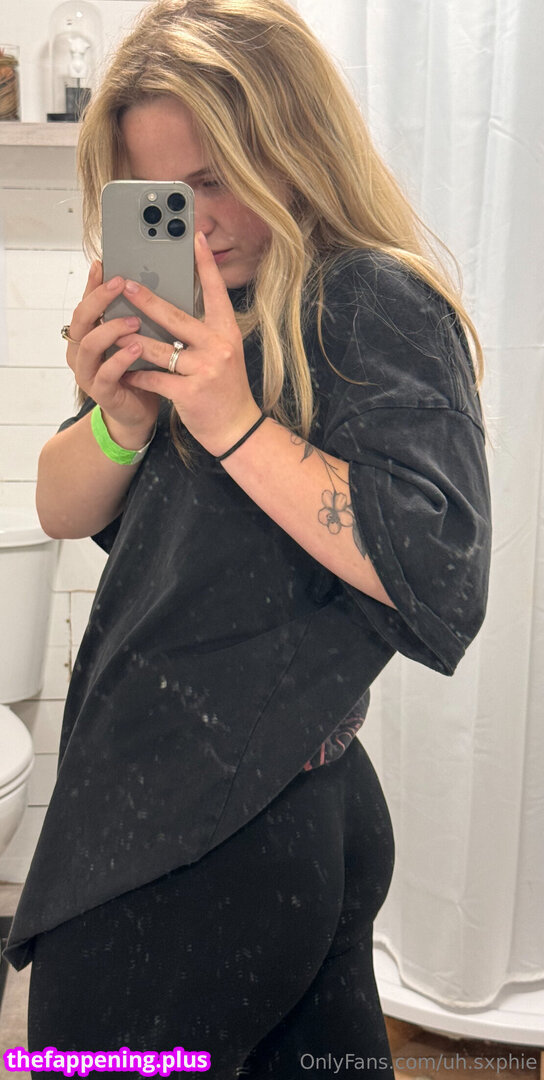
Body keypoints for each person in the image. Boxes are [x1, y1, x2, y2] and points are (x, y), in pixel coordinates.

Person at [4, 0, 492, 1076]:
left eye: (218, 178)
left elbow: (440, 573)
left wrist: (230, 419)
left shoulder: (367, 300)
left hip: (210, 830)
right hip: (250, 800)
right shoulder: (188, 306)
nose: (199, 224)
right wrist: (121, 416)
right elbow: (56, 508)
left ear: (294, 142)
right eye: (164, 196)